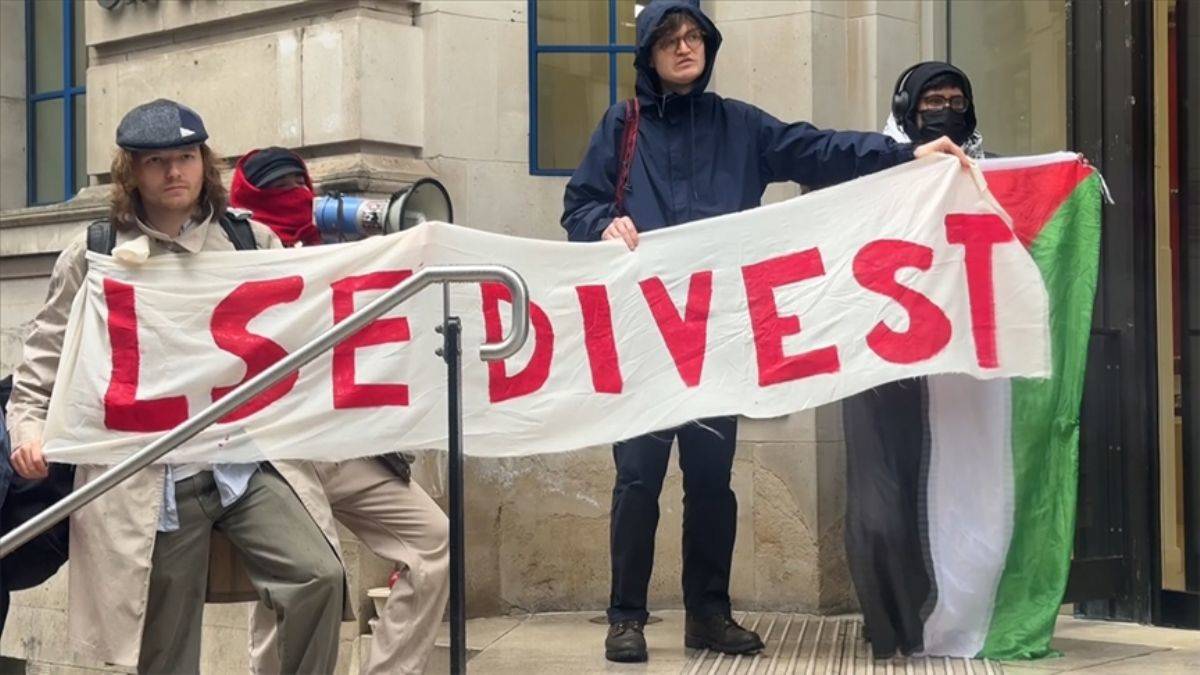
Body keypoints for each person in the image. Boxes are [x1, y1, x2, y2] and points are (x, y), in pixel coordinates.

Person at [561, 1, 970, 664]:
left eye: (695, 36)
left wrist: (905, 155)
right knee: (637, 479)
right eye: (670, 40)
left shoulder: (740, 125)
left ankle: (709, 614)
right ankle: (626, 616)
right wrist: (600, 224)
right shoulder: (622, 124)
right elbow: (580, 204)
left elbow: (819, 149)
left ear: (708, 46)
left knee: (711, 480)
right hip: (646, 336)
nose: (685, 48)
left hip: (718, 335)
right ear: (649, 55)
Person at [5, 99, 352, 674]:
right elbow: (42, 361)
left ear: (204, 163)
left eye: (186, 157)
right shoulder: (93, 253)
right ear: (131, 171)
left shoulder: (248, 241)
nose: (174, 172)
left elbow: (307, 332)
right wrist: (28, 430)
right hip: (146, 474)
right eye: (157, 161)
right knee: (165, 648)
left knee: (318, 576)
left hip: (243, 460)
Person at [230, 146, 451, 675]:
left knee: (432, 540)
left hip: (341, 442)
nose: (292, 202)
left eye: (297, 190)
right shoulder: (229, 249)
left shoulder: (332, 250)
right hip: (272, 451)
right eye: (277, 193)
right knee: (298, 577)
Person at [841, 61, 985, 660]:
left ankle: (945, 615)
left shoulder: (987, 174)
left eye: (955, 100)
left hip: (962, 365)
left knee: (952, 488)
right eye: (931, 102)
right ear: (906, 109)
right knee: (881, 499)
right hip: (883, 360)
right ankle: (890, 621)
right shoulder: (870, 170)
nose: (945, 110)